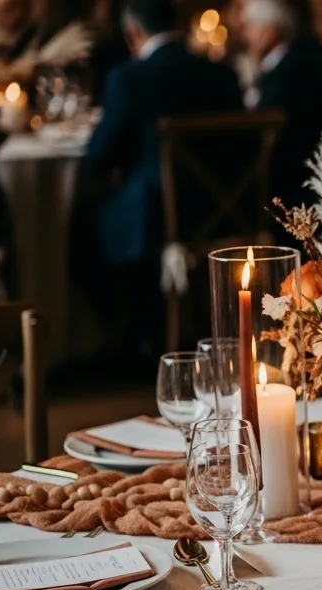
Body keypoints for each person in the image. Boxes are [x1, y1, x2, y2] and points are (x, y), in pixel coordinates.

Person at [78, 0, 241, 352]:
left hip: (159, 220)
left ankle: (132, 333)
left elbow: (97, 158)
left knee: (81, 219)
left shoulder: (127, 79)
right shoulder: (222, 74)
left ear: (132, 33)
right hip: (226, 211)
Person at [240, 0, 322, 209]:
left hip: (290, 178)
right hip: (320, 165)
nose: (246, 35)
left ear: (270, 30)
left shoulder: (287, 71)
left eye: (251, 27)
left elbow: (264, 128)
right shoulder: (315, 54)